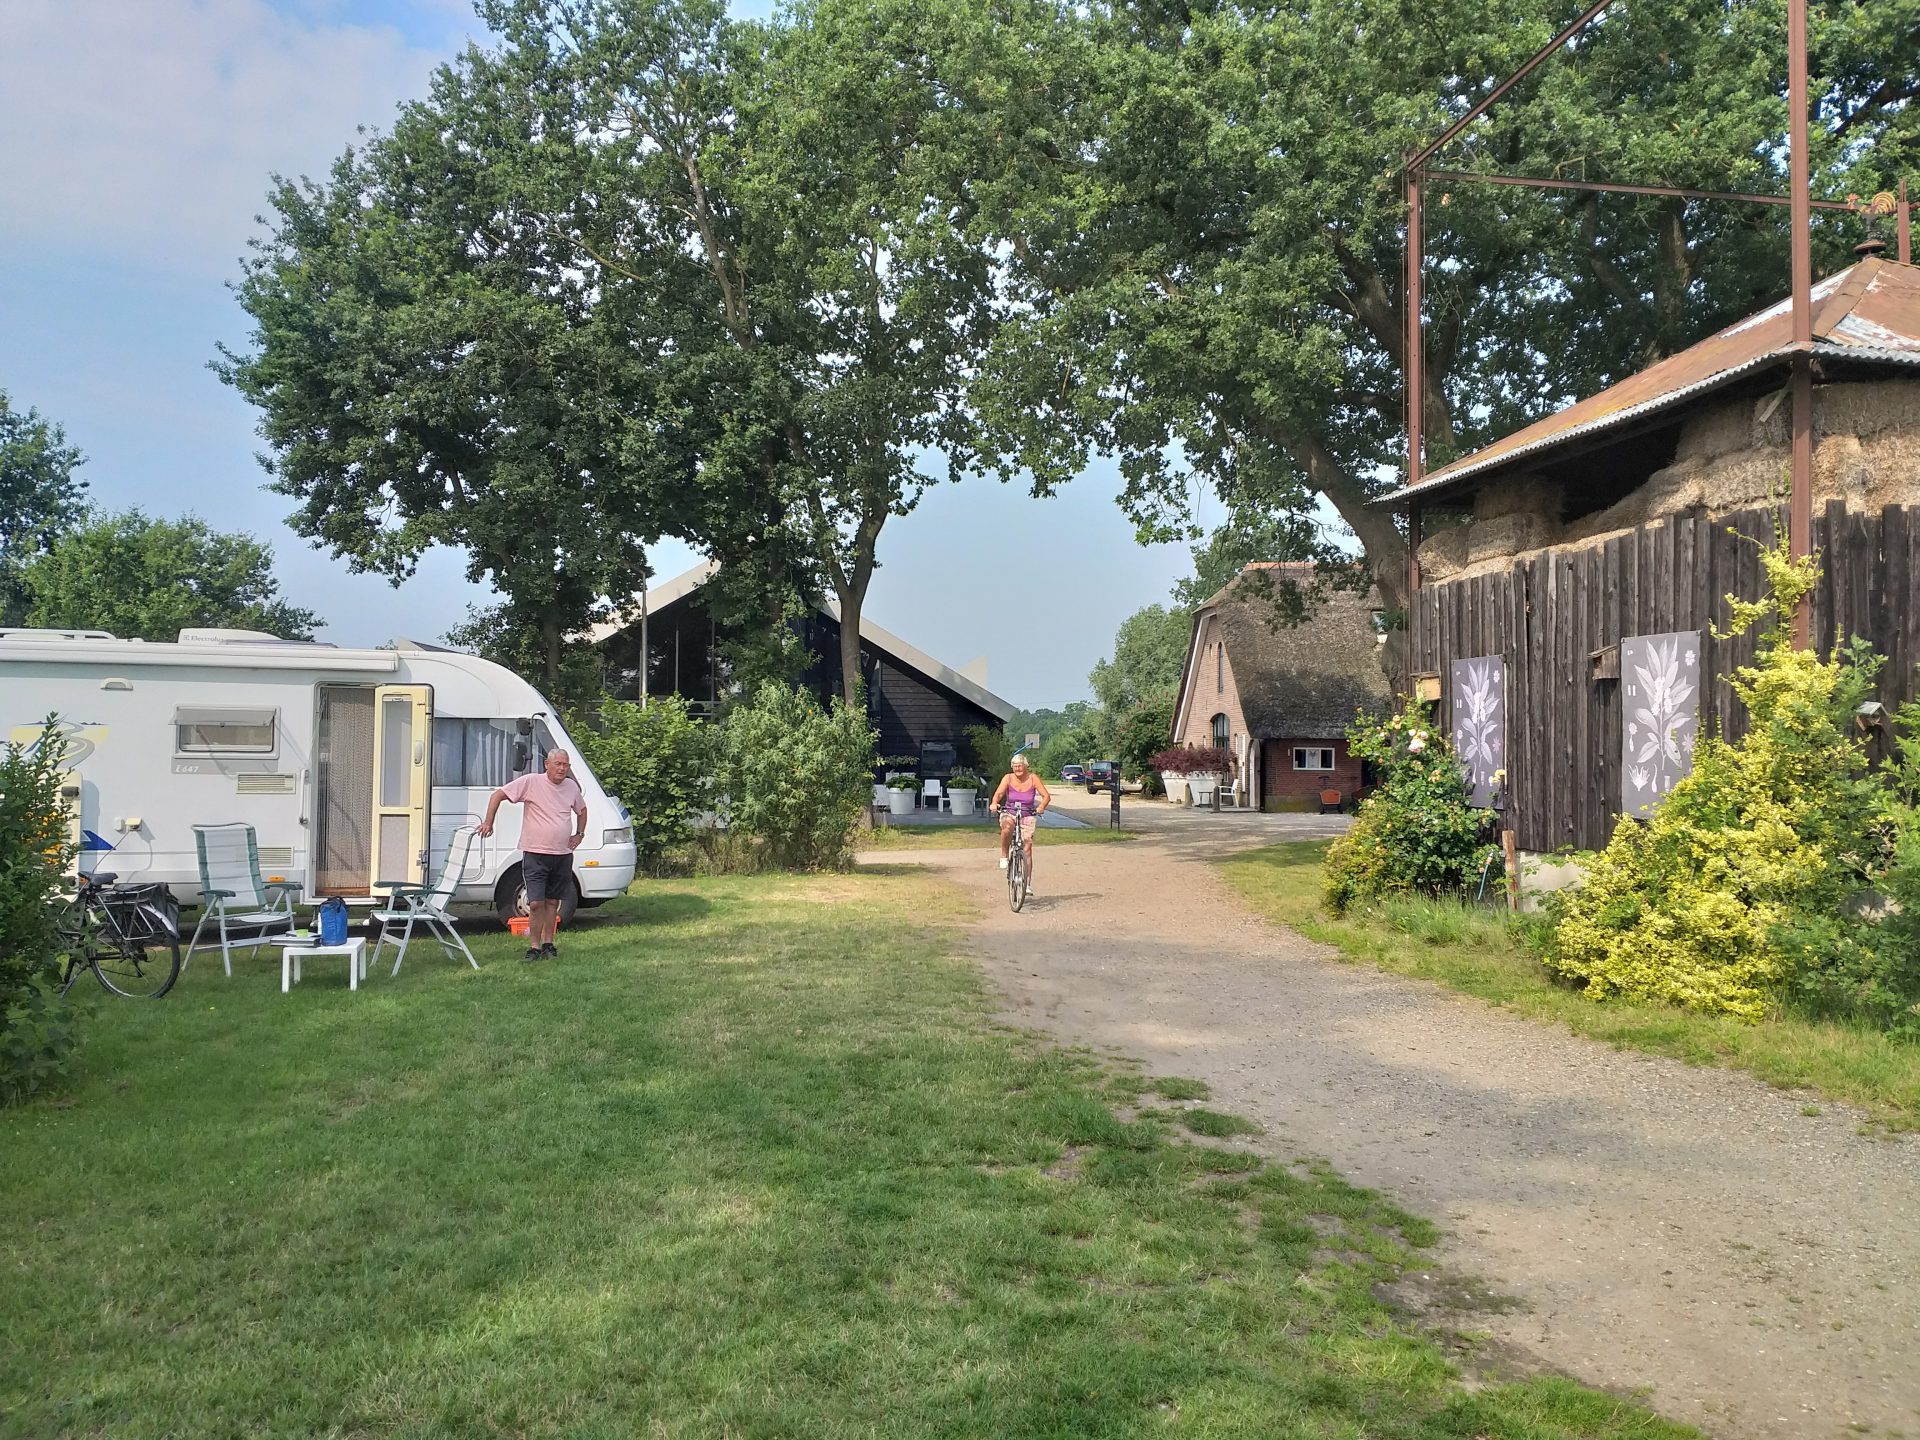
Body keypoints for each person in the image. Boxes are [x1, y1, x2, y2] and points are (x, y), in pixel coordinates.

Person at [478, 749, 586, 963]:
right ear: (547, 764)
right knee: (535, 903)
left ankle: (548, 944)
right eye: (558, 764)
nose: (562, 769)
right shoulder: (531, 782)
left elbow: (582, 810)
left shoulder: (571, 787)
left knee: (553, 902)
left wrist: (579, 835)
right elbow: (497, 795)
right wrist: (488, 822)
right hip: (535, 854)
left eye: (566, 765)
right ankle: (534, 947)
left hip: (562, 854)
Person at [989, 753, 1051, 892]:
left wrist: (1041, 807)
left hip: (1027, 813)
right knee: (1007, 826)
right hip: (1010, 811)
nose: (1018, 769)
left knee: (1027, 846)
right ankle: (1004, 854)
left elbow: (1046, 796)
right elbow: (999, 794)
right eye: (1015, 766)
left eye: (1020, 766)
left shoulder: (1033, 778)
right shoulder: (1008, 778)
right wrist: (994, 803)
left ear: (1026, 766)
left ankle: (1027, 884)